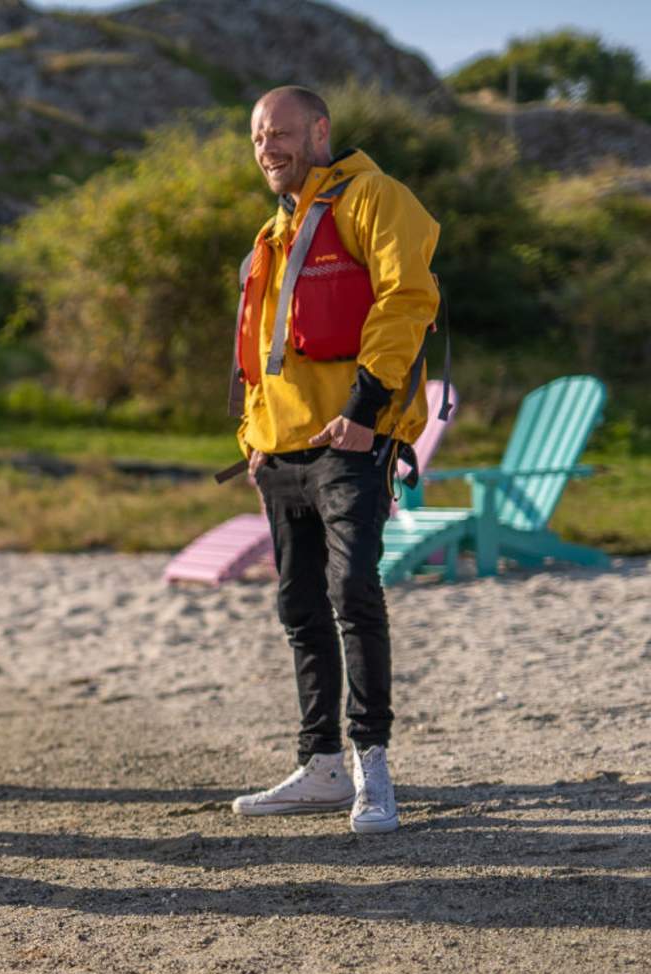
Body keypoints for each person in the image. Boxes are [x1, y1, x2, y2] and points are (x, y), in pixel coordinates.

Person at [228, 86, 441, 835]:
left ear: (320, 130)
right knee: (299, 606)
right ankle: (319, 766)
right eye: (258, 137)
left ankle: (371, 765)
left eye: (281, 133)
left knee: (353, 590)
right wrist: (252, 440)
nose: (268, 148)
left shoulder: (377, 197)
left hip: (350, 439)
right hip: (278, 450)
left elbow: (406, 301)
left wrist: (362, 411)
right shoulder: (273, 229)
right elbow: (262, 351)